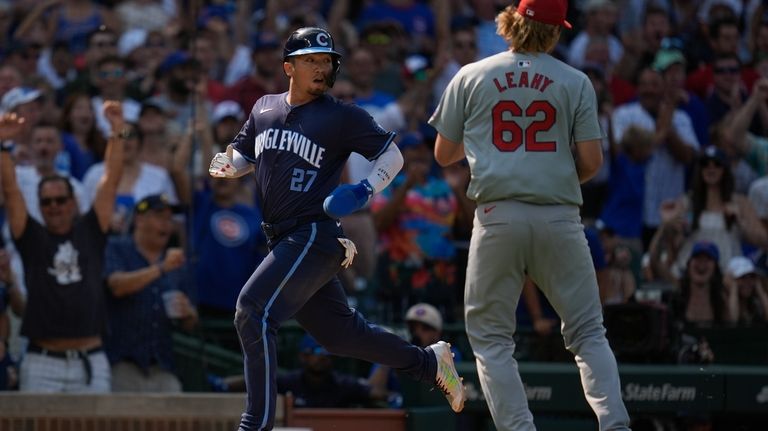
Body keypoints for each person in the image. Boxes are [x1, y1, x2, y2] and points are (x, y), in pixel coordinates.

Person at [207, 27, 466, 430]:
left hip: (313, 233)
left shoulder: (341, 115)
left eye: (327, 60)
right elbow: (242, 155)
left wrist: (364, 188)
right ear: (288, 66)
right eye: (311, 59)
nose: (321, 67)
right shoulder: (263, 107)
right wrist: (228, 165)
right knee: (342, 336)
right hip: (282, 237)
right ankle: (428, 362)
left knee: (252, 311)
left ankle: (255, 423)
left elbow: (392, 156)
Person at [428, 1, 631, 430]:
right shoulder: (575, 80)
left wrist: (491, 148)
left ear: (511, 22)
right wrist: (548, 176)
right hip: (559, 213)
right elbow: (592, 162)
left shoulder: (471, 74)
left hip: (497, 213)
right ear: (556, 33)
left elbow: (444, 154)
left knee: (491, 338)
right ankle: (615, 425)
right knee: (588, 334)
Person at [0, 100, 124, 393]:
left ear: (73, 202)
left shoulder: (91, 230)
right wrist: (3, 144)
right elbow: (11, 190)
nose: (54, 207)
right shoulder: (31, 236)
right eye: (46, 202)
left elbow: (110, 181)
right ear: (39, 207)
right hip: (43, 361)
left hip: (92, 360)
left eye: (60, 200)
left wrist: (117, 130)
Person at [103, 194, 197, 392]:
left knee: (175, 417)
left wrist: (187, 312)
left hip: (163, 365)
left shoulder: (178, 264)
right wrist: (161, 268)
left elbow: (191, 323)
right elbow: (117, 286)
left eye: (169, 219)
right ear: (139, 219)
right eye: (160, 217)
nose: (166, 224)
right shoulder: (117, 248)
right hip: (122, 363)